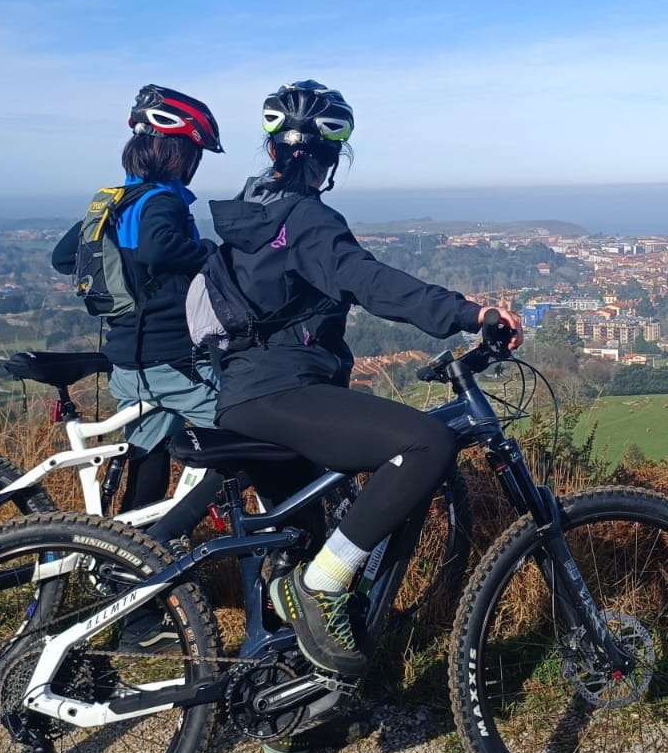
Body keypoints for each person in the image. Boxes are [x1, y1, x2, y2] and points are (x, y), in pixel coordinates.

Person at [207, 80, 520, 681]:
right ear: (330, 159)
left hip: (245, 397)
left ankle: (286, 706)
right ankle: (320, 588)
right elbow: (367, 281)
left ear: (273, 150)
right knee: (426, 442)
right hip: (282, 394)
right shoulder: (306, 218)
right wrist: (467, 313)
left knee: (295, 538)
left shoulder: (248, 217)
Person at [51, 85, 224, 518]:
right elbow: (158, 248)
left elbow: (61, 257)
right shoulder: (162, 201)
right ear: (179, 154)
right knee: (242, 428)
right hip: (173, 361)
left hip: (128, 362)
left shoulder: (112, 203)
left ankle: (131, 547)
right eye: (195, 154)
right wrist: (214, 255)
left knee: (148, 453)